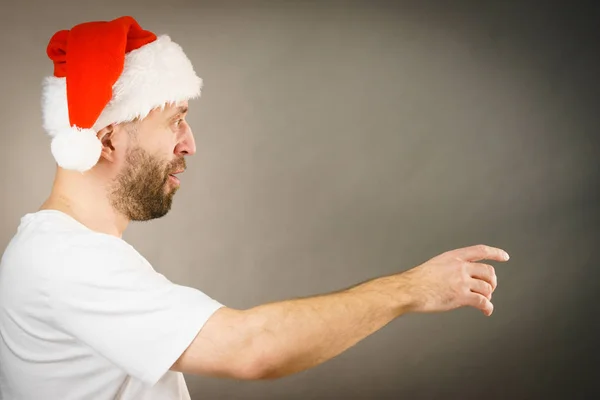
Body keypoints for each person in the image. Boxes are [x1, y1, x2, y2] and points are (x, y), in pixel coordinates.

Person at [0, 15, 510, 400]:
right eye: (175, 120)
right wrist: (411, 289)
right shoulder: (66, 261)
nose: (190, 143)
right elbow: (253, 348)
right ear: (107, 139)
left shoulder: (60, 251)